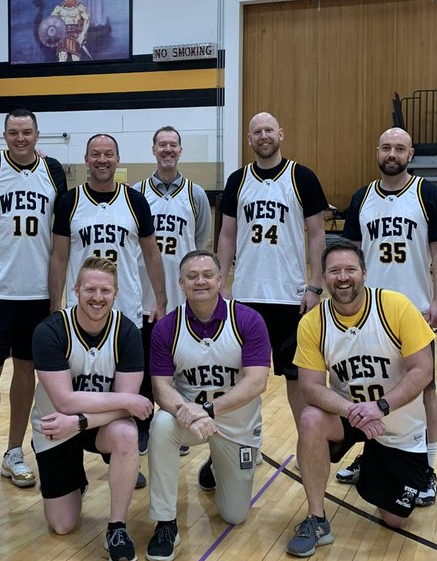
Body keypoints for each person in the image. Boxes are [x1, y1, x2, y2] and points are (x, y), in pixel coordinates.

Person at [287, 240, 435, 557]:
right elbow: (311, 386)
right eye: (334, 271)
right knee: (310, 418)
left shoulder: (396, 306)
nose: (343, 277)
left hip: (396, 421)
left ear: (364, 273)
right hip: (351, 414)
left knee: (395, 519)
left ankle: (372, 463)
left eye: (350, 269)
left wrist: (380, 407)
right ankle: (316, 518)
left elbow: (422, 370)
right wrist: (352, 410)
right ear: (324, 277)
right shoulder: (313, 322)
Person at [338, 127, 437, 503]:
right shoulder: (362, 197)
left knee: (425, 390)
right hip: (367, 313)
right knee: (371, 386)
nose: (392, 153)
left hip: (414, 311)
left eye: (399, 148)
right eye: (386, 147)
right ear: (377, 151)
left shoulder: (428, 194)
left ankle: (428, 466)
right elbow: (350, 255)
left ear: (410, 153)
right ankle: (373, 456)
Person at [0, 108, 67, 497]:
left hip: (37, 293)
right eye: (13, 132)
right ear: (3, 136)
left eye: (27, 132)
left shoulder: (52, 170)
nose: (20, 138)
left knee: (26, 373)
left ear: (38, 134)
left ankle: (14, 451)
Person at [145, 251, 270, 561]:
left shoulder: (248, 320)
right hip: (190, 421)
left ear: (220, 280)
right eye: (191, 276)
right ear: (181, 283)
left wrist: (209, 410)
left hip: (235, 423)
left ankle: (216, 464)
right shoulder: (167, 328)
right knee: (161, 425)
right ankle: (164, 522)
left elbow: (256, 382)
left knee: (235, 515)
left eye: (207, 275)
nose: (200, 281)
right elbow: (161, 388)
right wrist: (186, 412)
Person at [30, 257, 152, 561]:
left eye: (105, 290)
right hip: (56, 425)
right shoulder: (51, 331)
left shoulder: (126, 331)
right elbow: (65, 402)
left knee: (126, 434)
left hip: (93, 425)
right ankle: (74, 478)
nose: (98, 297)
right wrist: (119, 403)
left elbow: (125, 404)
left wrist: (82, 422)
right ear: (76, 290)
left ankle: (117, 528)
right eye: (90, 289)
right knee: (62, 525)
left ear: (116, 293)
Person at [217, 112, 328, 425]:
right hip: (246, 297)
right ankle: (244, 443)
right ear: (249, 139)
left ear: (281, 133)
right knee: (244, 376)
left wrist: (314, 286)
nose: (263, 136)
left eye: (268, 130)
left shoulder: (302, 176)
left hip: (291, 297)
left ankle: (307, 443)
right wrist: (221, 283)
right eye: (256, 132)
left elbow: (317, 233)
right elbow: (226, 234)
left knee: (298, 380)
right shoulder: (238, 180)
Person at [132, 125, 212, 454]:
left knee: (176, 364)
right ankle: (143, 426)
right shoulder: (136, 192)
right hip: (144, 296)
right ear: (153, 150)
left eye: (173, 145)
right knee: (142, 365)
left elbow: (201, 243)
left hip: (181, 298)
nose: (167, 149)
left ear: (180, 151)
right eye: (162, 144)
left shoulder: (195, 194)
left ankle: (175, 425)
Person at [49, 134, 167, 331]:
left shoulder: (135, 201)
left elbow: (151, 253)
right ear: (86, 160)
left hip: (126, 306)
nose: (102, 160)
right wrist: (54, 306)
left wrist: (161, 300)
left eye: (108, 154)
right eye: (95, 154)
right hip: (81, 307)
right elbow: (59, 258)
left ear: (117, 160)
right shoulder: (70, 201)